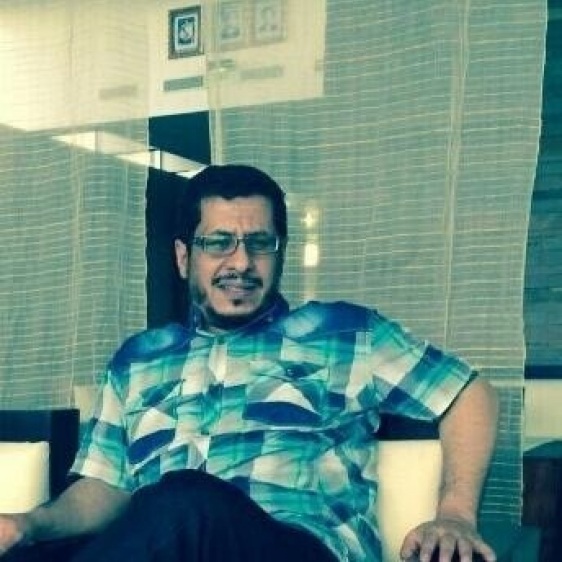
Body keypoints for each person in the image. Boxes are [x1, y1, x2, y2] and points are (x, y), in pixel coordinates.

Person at [0, 164, 499, 562]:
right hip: (164, 541)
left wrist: (456, 513)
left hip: (293, 546)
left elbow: (467, 393)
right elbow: (103, 487)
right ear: (184, 257)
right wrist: (28, 524)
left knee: (186, 500)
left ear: (279, 255)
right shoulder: (138, 360)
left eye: (259, 244)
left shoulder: (345, 334)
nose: (240, 263)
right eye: (218, 243)